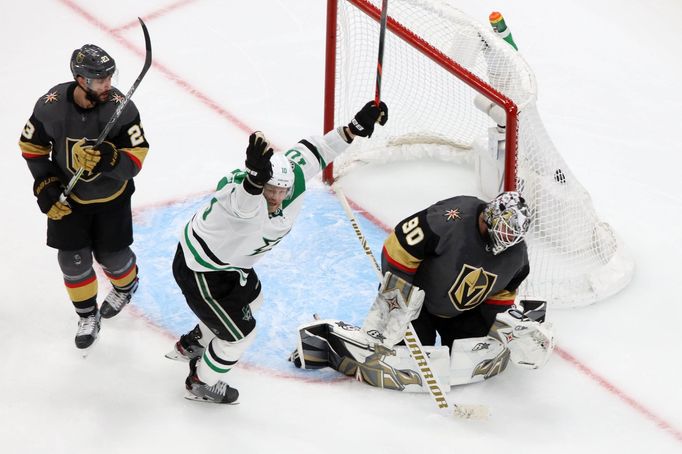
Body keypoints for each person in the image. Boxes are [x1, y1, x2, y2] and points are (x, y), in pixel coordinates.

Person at [166, 100, 389, 404]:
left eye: (280, 191)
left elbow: (321, 149)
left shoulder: (292, 176)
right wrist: (254, 181)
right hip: (203, 271)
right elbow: (244, 203)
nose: (275, 197)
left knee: (253, 300)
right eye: (269, 190)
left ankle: (197, 341)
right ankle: (201, 382)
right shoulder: (242, 197)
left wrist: (353, 129)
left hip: (234, 265)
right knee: (240, 337)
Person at [291, 191, 555, 391]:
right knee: (410, 355)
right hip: (421, 305)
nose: (508, 240)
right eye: (506, 231)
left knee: (473, 352)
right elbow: (398, 247)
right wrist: (399, 298)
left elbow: (501, 296)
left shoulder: (517, 257)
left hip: (464, 312)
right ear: (490, 216)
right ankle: (328, 342)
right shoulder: (451, 218)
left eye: (515, 235)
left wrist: (503, 327)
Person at [19, 44, 149, 350]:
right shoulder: (50, 107)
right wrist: (47, 185)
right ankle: (87, 315)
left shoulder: (122, 108)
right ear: (80, 79)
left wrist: (110, 158)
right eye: (100, 79)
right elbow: (32, 148)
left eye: (110, 77)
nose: (108, 84)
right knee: (72, 261)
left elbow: (137, 157)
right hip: (70, 200)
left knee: (113, 258)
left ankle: (126, 286)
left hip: (111, 198)